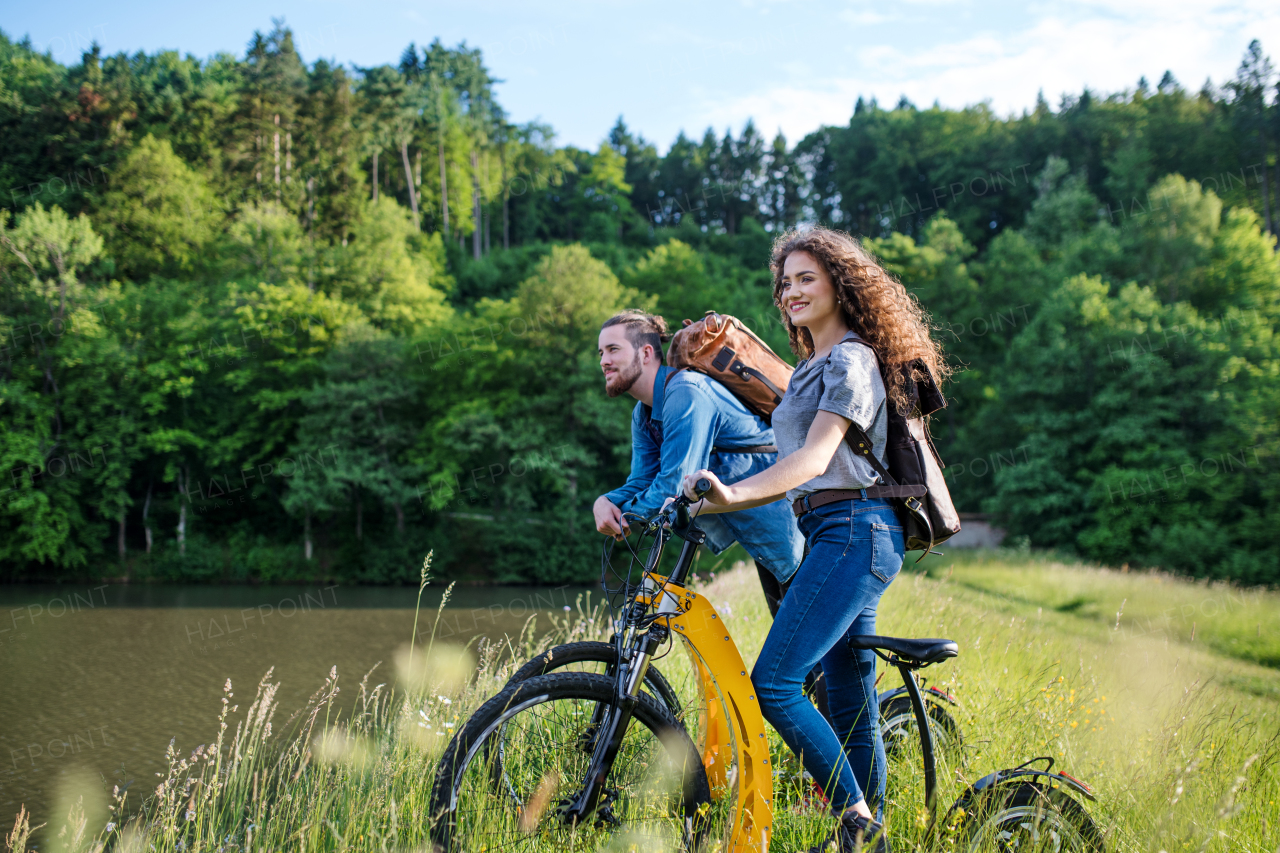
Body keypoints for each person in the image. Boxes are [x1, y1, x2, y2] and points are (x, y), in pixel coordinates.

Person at [681, 227, 949, 853]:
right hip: (835, 530)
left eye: (807, 278)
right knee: (850, 691)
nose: (791, 291)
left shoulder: (853, 359)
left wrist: (735, 495)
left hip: (855, 530)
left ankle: (855, 818)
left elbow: (814, 456)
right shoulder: (807, 369)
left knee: (774, 681)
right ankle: (871, 838)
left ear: (840, 283)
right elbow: (771, 445)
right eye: (785, 282)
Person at [593, 310, 806, 615]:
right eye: (601, 352)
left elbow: (672, 485)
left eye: (613, 349)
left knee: (814, 649)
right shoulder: (643, 413)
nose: (603, 361)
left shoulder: (686, 392)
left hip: (796, 517)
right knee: (799, 646)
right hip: (760, 528)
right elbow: (642, 480)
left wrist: (622, 514)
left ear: (646, 352)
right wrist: (605, 501)